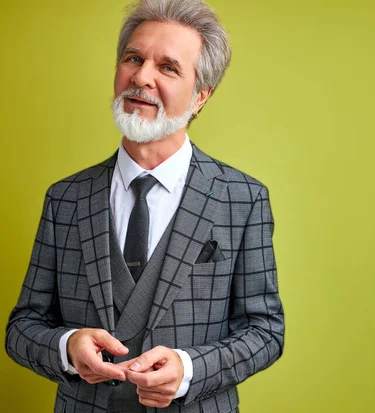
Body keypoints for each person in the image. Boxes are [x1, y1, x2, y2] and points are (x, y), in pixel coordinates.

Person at [5, 1, 284, 412]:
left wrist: (190, 369)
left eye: (168, 67)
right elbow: (21, 328)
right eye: (133, 58)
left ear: (201, 96)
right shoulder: (64, 198)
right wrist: (67, 346)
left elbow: (266, 331)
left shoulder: (242, 198)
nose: (141, 77)